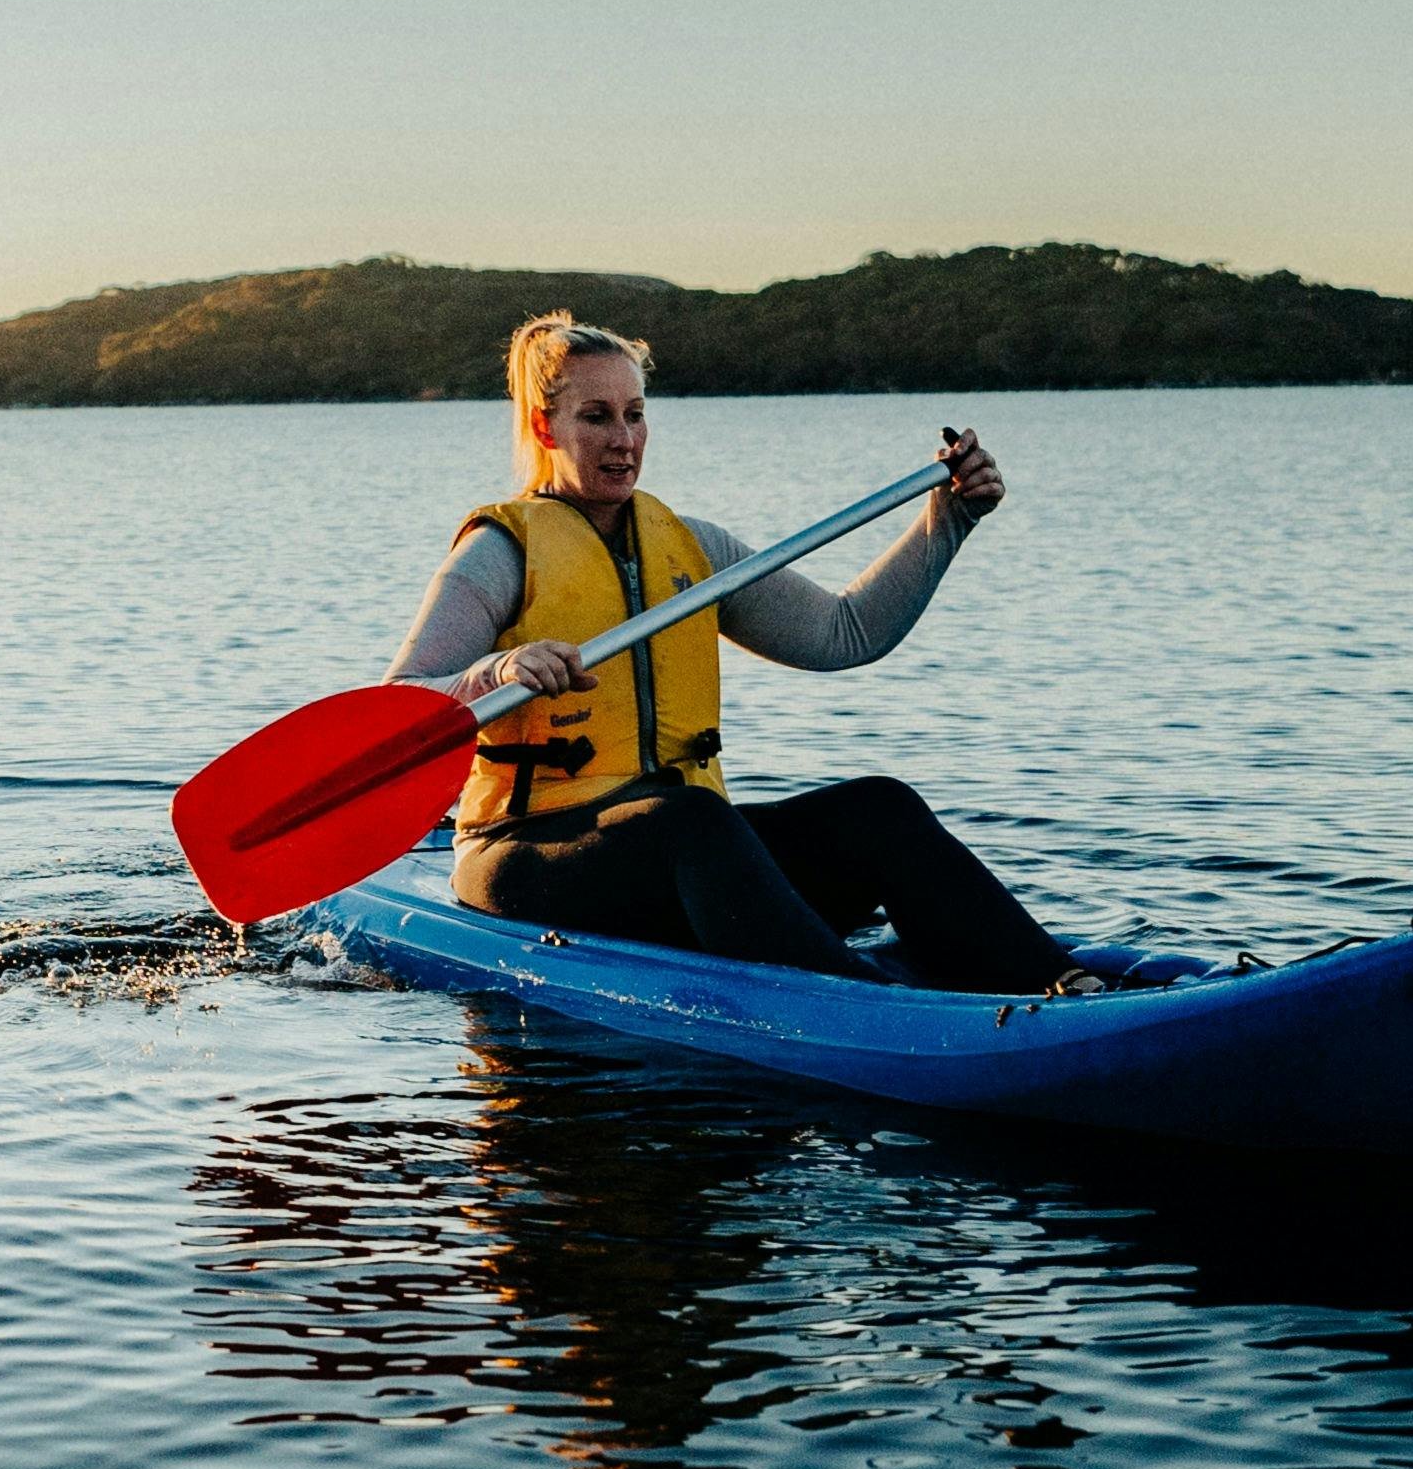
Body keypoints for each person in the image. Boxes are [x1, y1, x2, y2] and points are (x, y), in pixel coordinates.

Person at [384, 309, 1095, 992]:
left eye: (635, 414)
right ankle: (855, 1000)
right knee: (689, 821)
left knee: (879, 810)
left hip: (679, 857)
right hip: (525, 855)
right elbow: (402, 706)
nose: (623, 439)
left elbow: (843, 634)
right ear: (546, 426)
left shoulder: (694, 547)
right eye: (596, 417)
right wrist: (495, 671)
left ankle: (1057, 982)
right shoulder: (500, 551)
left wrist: (949, 519)